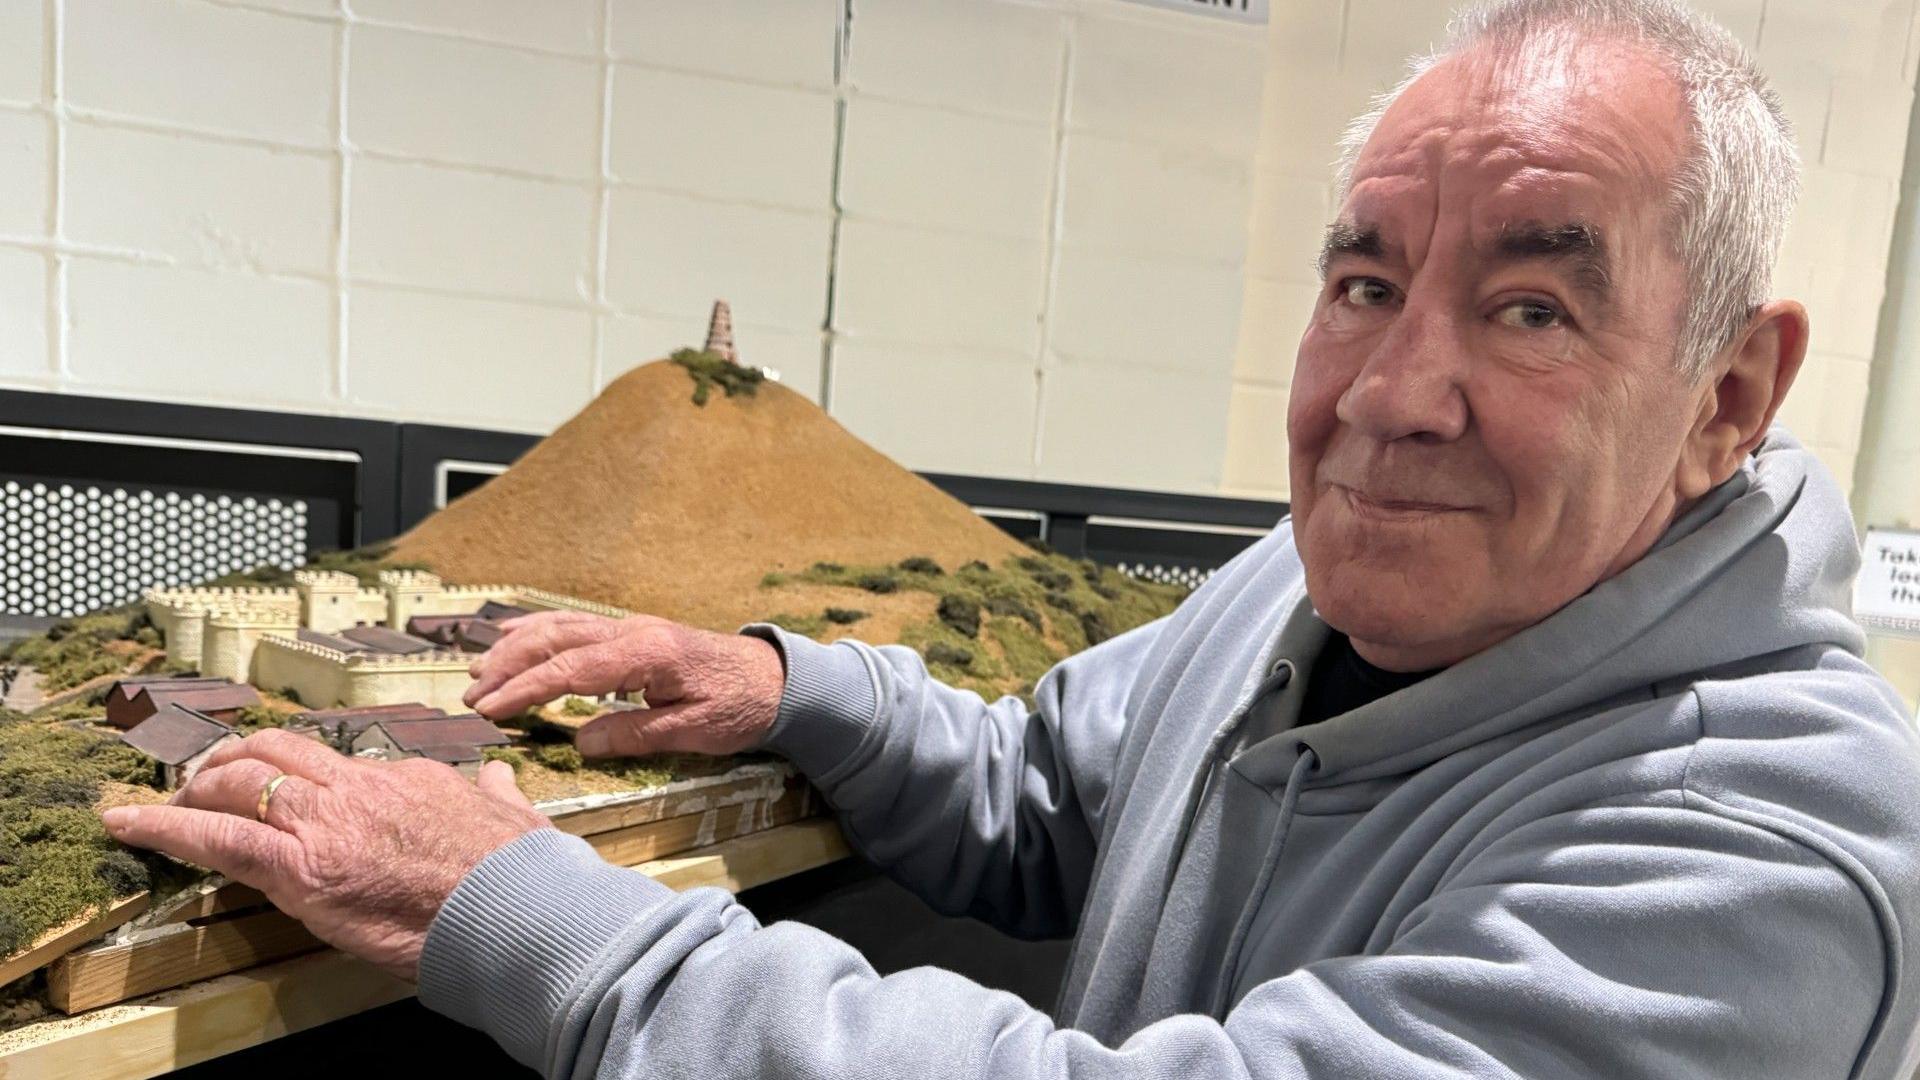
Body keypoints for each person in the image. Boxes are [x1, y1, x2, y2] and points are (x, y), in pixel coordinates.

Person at [101, 1, 1920, 1076]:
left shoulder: (1768, 854)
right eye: (1364, 282)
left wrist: (539, 921)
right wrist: (788, 686)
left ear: (1726, 397)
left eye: (1532, 309)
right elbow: (1056, 791)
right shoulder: (1301, 586)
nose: (1392, 392)